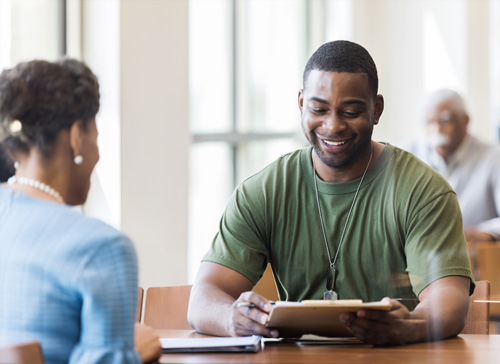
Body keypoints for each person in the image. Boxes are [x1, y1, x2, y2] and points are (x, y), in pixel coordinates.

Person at [188, 40, 474, 346]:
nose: (333, 125)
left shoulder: (424, 190)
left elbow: (449, 302)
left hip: (394, 355)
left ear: (376, 109)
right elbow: (204, 298)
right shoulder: (264, 191)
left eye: (350, 111)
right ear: (301, 104)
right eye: (318, 109)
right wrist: (233, 318)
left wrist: (412, 324)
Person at [0, 59, 161, 364]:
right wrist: (129, 352)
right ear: (76, 136)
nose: (97, 151)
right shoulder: (102, 247)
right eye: (96, 135)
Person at [403, 89, 500, 243]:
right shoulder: (410, 155)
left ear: (465, 120)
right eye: (430, 122)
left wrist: (481, 234)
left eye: (445, 121)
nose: (437, 130)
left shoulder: (493, 158)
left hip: (473, 257)